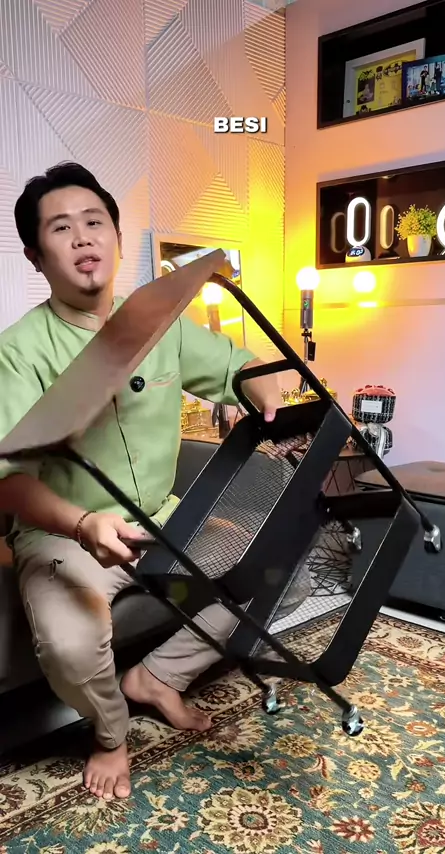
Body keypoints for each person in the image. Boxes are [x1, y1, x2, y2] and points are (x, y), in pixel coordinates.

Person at [0, 163, 308, 802]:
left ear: (116, 235)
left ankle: (158, 677)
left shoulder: (157, 323)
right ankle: (110, 732)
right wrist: (82, 523)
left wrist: (265, 396)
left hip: (164, 517)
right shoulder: (17, 351)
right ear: (35, 255)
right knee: (69, 643)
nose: (83, 238)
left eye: (95, 222)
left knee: (285, 567)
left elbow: (244, 368)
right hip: (67, 535)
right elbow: (6, 482)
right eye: (61, 228)